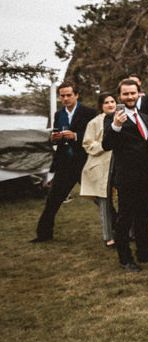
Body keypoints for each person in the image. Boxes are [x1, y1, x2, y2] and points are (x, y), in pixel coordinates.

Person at [102, 78, 148, 271]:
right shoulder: (112, 118)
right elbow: (106, 145)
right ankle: (125, 258)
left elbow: (143, 142)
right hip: (127, 177)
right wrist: (116, 126)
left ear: (139, 94)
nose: (129, 97)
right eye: (125, 94)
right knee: (125, 219)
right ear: (120, 96)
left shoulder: (145, 116)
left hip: (147, 175)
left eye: (133, 93)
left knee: (143, 217)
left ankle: (144, 253)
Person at [33, 81, 96, 243]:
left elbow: (96, 136)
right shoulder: (58, 115)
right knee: (53, 200)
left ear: (76, 95)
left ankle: (120, 230)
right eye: (62, 96)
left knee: (100, 199)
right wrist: (54, 139)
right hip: (64, 165)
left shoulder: (89, 112)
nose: (66, 98)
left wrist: (75, 136)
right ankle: (43, 234)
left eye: (69, 95)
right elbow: (56, 136)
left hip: (84, 163)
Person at [80, 92, 117, 248]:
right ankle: (108, 236)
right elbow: (88, 144)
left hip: (120, 164)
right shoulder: (94, 123)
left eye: (112, 101)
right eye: (106, 102)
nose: (110, 105)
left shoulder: (122, 119)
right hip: (101, 165)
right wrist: (104, 146)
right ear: (101, 105)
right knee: (104, 201)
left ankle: (129, 232)